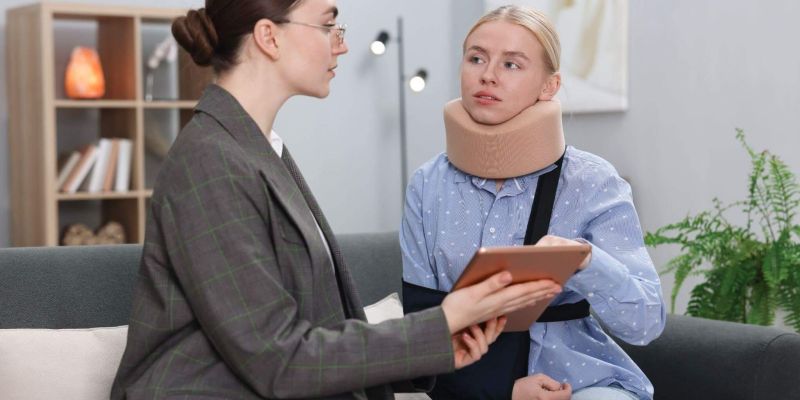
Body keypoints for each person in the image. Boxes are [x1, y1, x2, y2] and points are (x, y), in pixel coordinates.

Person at [109, 1, 562, 399]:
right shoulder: (209, 160)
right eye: (328, 26)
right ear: (269, 36)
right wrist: (440, 324)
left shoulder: (259, 149)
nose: (340, 45)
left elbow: (308, 335)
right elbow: (277, 360)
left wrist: (438, 348)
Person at [401, 5, 667, 400]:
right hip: (469, 388)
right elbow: (420, 326)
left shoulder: (593, 182)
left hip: (580, 383)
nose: (487, 74)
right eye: (476, 58)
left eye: (512, 64)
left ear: (549, 86)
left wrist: (585, 260)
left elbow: (645, 322)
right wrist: (502, 391)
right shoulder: (428, 184)